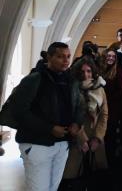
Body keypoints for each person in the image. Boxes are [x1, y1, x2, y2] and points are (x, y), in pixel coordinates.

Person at [9, 42, 85, 191]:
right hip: (37, 143)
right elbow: (18, 111)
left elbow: (79, 106)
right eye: (60, 56)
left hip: (62, 144)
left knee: (52, 187)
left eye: (68, 56)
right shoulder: (34, 79)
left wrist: (76, 123)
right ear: (49, 57)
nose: (66, 60)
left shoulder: (70, 81)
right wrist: (49, 128)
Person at [61, 58, 109, 185]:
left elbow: (104, 115)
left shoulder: (99, 88)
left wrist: (98, 137)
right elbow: (70, 117)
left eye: (89, 71)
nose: (86, 75)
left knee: (94, 177)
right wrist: (83, 140)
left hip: (95, 137)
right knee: (73, 177)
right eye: (82, 72)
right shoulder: (71, 89)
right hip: (76, 137)